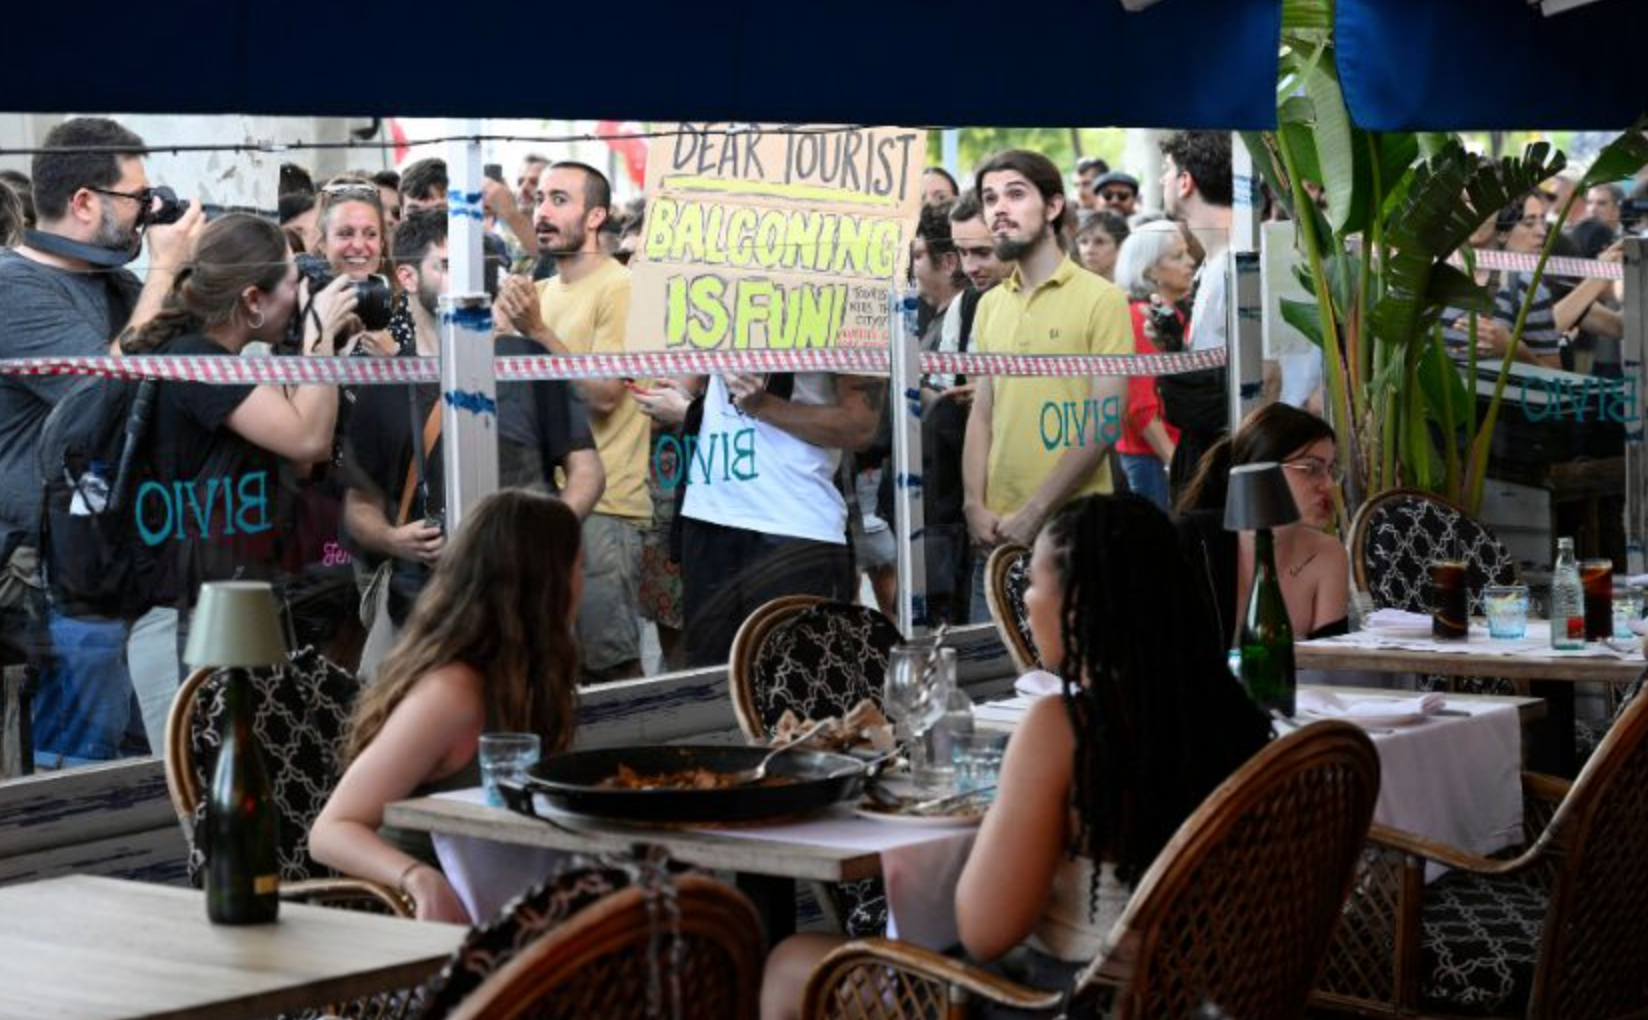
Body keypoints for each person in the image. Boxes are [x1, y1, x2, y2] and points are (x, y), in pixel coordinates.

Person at [760, 495, 1272, 1019]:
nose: (1025, 600)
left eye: (1033, 582)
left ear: (1075, 604)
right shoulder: (1234, 718)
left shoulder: (1066, 729)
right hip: (1209, 996)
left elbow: (985, 932)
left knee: (791, 962)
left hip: (1078, 1001)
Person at [0, 117, 204, 765]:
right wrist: (166, 270)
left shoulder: (116, 285)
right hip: (50, 579)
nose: (149, 213)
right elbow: (101, 397)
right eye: (138, 199)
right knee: (77, 775)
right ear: (85, 201)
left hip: (124, 565)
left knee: (139, 762)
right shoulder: (12, 287)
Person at [118, 213, 355, 750]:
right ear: (253, 299)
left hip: (222, 605)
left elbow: (296, 464)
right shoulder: (197, 362)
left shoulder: (217, 359)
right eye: (294, 282)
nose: (301, 295)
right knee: (204, 793)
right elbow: (308, 441)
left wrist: (315, 348)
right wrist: (316, 342)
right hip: (186, 621)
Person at [343, 211, 603, 678]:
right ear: (405, 276)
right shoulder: (385, 382)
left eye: (471, 267)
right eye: (445, 266)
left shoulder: (523, 361)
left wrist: (539, 534)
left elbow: (587, 472)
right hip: (420, 604)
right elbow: (359, 503)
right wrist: (393, 538)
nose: (464, 282)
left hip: (523, 598)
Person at [312, 488, 584, 924]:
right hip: (424, 929)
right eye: (577, 566)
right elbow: (331, 831)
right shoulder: (451, 693)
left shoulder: (525, 677)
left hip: (505, 909)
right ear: (543, 583)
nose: (582, 583)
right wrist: (420, 880)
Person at [496, 162, 650, 682]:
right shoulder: (538, 293)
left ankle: (636, 764)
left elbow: (605, 395)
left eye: (559, 199)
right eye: (539, 198)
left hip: (605, 510)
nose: (541, 211)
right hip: (543, 506)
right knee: (555, 669)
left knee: (611, 666)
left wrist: (536, 332)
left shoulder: (620, 287)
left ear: (596, 216)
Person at [962, 150, 1130, 624]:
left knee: (1079, 682)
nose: (999, 208)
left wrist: (1036, 510)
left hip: (1073, 535)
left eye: (1015, 194)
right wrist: (973, 503)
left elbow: (1105, 422)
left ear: (1054, 207)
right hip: (995, 538)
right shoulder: (990, 305)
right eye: (990, 198)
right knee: (1000, 686)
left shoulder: (1103, 299)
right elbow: (982, 412)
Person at [1175, 402, 1350, 644]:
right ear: (1258, 470)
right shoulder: (1194, 540)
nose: (1329, 485)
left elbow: (1331, 669)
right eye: (1310, 468)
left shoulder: (1328, 554)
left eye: (1331, 470)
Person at [1112, 220, 1195, 510]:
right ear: (1150, 270)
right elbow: (1141, 405)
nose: (1191, 261)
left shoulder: (1171, 315)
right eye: (1177, 256)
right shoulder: (1141, 318)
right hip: (1154, 460)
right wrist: (1175, 465)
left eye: (1186, 253)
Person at [1074, 209, 1128, 281]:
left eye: (1100, 242)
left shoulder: (1131, 290)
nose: (1089, 250)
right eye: (1083, 242)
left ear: (1120, 247)